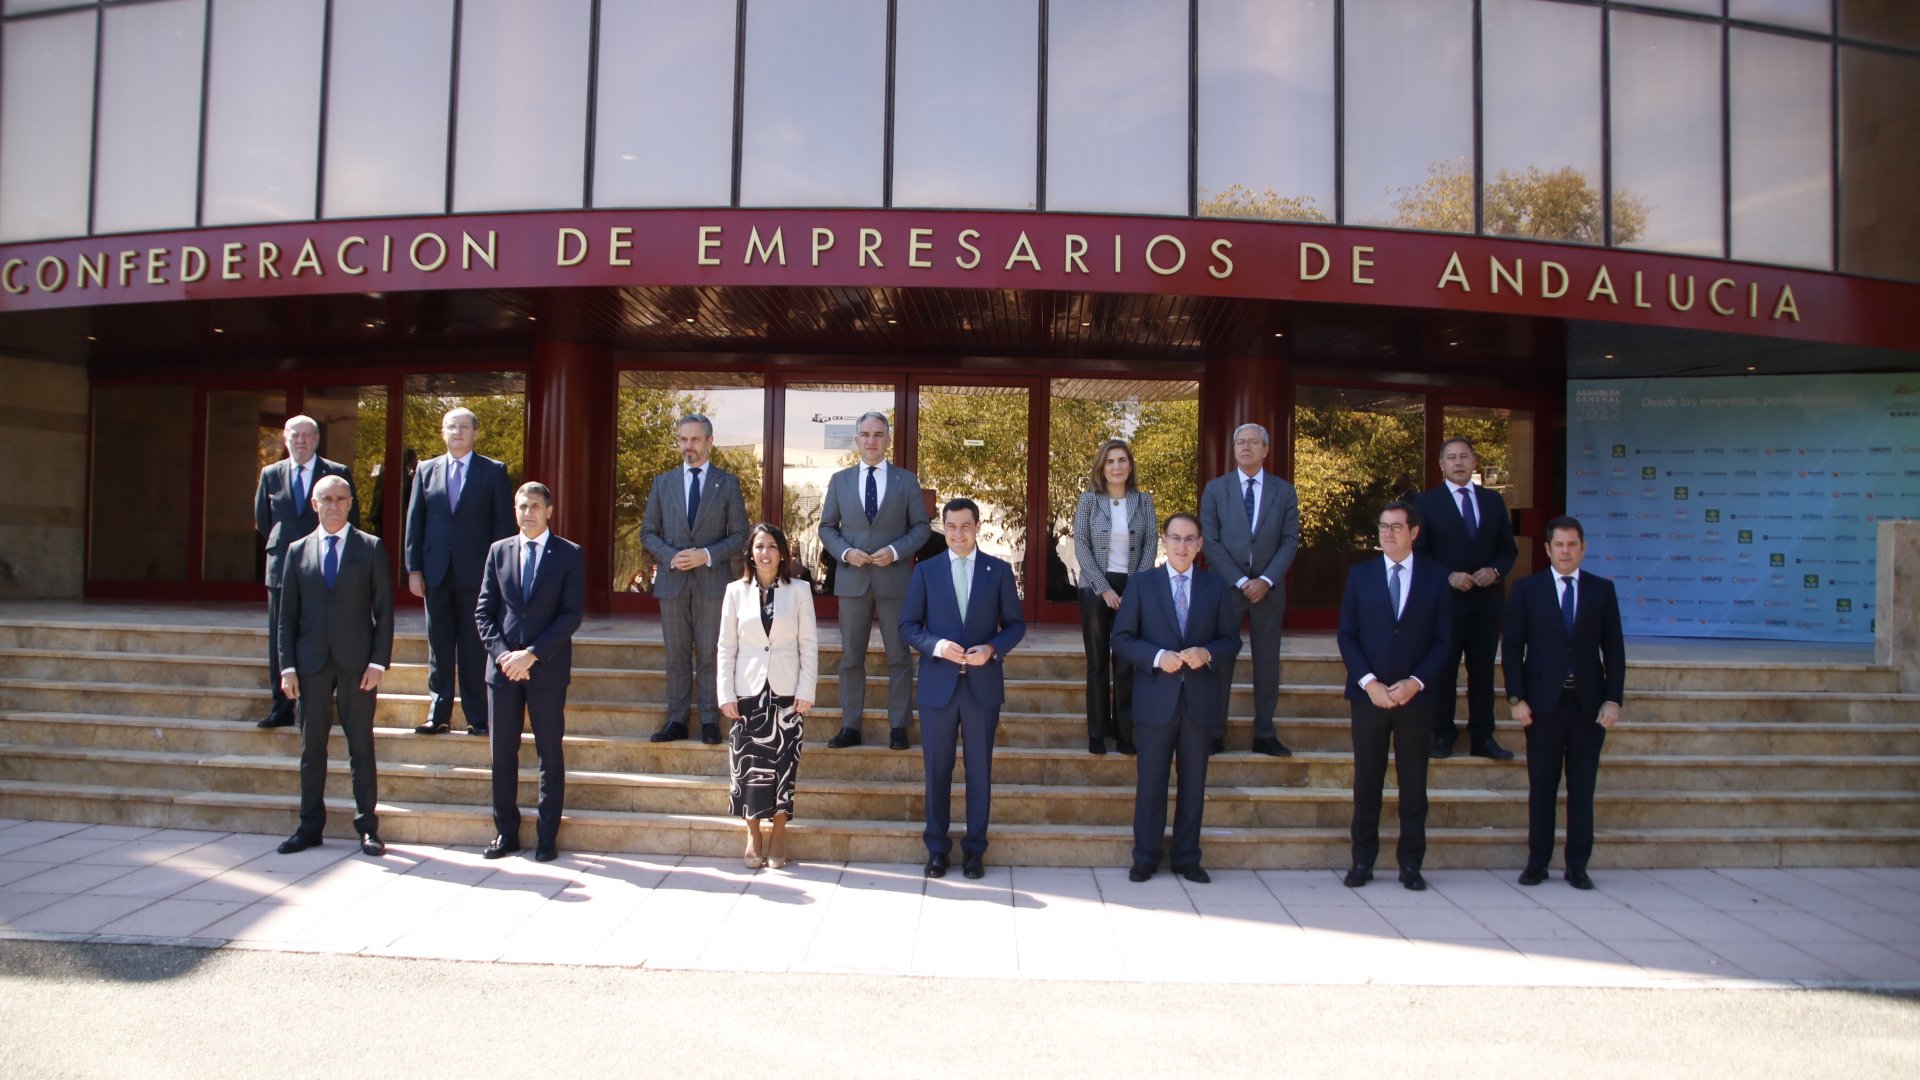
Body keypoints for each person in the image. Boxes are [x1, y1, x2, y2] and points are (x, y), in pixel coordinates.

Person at [900, 497, 1025, 880]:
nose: (958, 534)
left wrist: (992, 649)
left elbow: (1016, 625)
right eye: (951, 527)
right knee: (937, 771)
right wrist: (936, 646)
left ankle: (975, 850)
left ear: (977, 526)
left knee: (978, 771)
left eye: (965, 526)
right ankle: (937, 849)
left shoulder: (998, 571)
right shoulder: (926, 571)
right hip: (938, 685)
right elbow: (908, 626)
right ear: (944, 526)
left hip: (982, 688)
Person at [1111, 513, 1239, 884]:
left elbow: (1232, 640)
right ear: (1164, 541)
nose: (1181, 546)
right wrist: (1156, 657)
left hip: (1198, 700)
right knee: (1151, 781)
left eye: (1190, 539)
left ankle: (1186, 857)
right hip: (1155, 699)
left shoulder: (1216, 587)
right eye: (1175, 538)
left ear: (1200, 545)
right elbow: (1121, 639)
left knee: (1193, 782)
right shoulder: (1142, 585)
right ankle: (1145, 856)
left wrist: (1207, 653)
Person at [1503, 515, 1625, 891]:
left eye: (1573, 545)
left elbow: (1614, 651)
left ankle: (1577, 866)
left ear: (1583, 548)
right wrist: (1516, 698)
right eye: (1559, 545)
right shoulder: (1526, 590)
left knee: (1582, 788)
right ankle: (1537, 863)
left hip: (1588, 706)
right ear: (1548, 549)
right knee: (1542, 787)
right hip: (1542, 706)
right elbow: (1512, 649)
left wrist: (1613, 700)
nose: (1566, 551)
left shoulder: (1601, 591)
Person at [1336, 500, 1451, 892]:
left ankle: (1411, 865)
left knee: (1413, 784)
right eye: (1383, 526)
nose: (1388, 533)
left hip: (1415, 699)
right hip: (1369, 697)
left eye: (1396, 527)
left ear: (1414, 532)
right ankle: (1362, 861)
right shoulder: (1360, 575)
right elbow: (1347, 635)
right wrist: (1369, 682)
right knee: (1367, 782)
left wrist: (1416, 681)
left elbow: (1444, 641)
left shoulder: (1436, 578)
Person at [274, 476, 393, 857]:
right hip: (310, 664)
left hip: (357, 663)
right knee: (312, 748)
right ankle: (309, 827)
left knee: (361, 746)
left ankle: (367, 828)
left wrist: (378, 663)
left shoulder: (370, 548)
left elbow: (384, 612)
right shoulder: (296, 551)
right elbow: (285, 616)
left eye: (341, 499)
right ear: (314, 504)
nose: (334, 505)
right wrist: (287, 667)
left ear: (350, 503)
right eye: (326, 499)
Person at [474, 482, 584, 864]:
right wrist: (506, 656)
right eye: (522, 506)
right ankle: (505, 832)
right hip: (502, 671)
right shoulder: (498, 551)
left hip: (546, 670)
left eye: (535, 506)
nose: (527, 513)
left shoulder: (569, 554)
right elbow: (484, 613)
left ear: (549, 511)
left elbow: (571, 614)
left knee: (548, 754)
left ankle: (545, 837)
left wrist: (532, 655)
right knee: (501, 754)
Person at [816, 411, 930, 751]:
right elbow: (826, 528)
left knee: (899, 656)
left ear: (887, 439)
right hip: (852, 580)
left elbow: (921, 528)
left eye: (878, 434)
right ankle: (850, 724)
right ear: (856, 440)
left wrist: (896, 551)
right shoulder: (840, 480)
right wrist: (845, 553)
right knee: (852, 657)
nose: (871, 440)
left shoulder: (906, 481)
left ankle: (899, 726)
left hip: (894, 580)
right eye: (865, 434)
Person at [405, 406, 515, 737]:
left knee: (472, 645)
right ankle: (437, 713)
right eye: (451, 427)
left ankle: (477, 717)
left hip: (477, 573)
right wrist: (414, 569)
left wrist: (500, 575)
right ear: (443, 433)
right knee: (438, 645)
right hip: (436, 572)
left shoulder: (493, 471)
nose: (457, 432)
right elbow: (415, 522)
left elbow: (503, 527)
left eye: (464, 427)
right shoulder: (426, 470)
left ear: (475, 433)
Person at [641, 413, 749, 745]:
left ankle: (708, 720)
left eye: (695, 439)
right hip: (672, 582)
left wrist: (706, 555)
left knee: (709, 654)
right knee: (675, 655)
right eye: (683, 440)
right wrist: (670, 555)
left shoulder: (727, 483)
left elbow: (740, 535)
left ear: (709, 441)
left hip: (713, 582)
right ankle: (675, 720)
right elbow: (648, 532)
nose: (689, 446)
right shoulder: (663, 482)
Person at [716, 523, 819, 870]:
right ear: (750, 553)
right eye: (759, 546)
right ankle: (752, 833)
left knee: (783, 766)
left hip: (787, 692)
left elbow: (809, 645)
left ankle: (778, 832)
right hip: (748, 691)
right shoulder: (734, 591)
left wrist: (806, 690)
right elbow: (726, 646)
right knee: (747, 769)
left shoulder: (800, 591)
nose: (765, 553)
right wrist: (725, 692)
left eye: (772, 546)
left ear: (783, 553)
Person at [1414, 436, 1519, 761]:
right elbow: (1418, 552)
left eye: (1464, 457)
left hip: (1485, 603)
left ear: (1474, 462)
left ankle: (1483, 737)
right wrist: (1448, 576)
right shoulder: (1426, 502)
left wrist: (1496, 571)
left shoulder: (1492, 501)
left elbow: (1507, 548)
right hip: (1445, 602)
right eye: (1452, 458)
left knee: (1483, 672)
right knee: (1443, 670)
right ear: (1441, 465)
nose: (1458, 462)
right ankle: (1442, 735)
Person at [1198, 422, 1300, 757]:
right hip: (1228, 590)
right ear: (1234, 448)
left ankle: (1265, 733)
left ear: (1265, 449)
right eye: (1240, 442)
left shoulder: (1283, 491)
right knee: (1221, 662)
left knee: (1267, 664)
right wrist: (1241, 581)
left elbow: (1289, 541)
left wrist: (1265, 580)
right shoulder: (1216, 489)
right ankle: (1215, 732)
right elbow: (1209, 542)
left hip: (1269, 591)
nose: (1246, 447)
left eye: (1253, 442)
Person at [252, 414, 354, 729]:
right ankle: (281, 707)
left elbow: (351, 522)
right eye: (295, 435)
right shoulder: (270, 474)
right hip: (281, 566)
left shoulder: (336, 473)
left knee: (322, 633)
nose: (301, 440)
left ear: (317, 439)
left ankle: (318, 704)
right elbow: (263, 520)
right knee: (280, 638)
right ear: (285, 438)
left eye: (308, 435)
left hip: (323, 567)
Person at [1072, 438, 1158, 756]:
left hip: (1133, 584)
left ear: (1130, 465)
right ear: (1101, 467)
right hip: (1095, 586)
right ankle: (1097, 732)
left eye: (1122, 460)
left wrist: (1134, 589)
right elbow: (1081, 545)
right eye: (1110, 461)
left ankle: (1124, 734)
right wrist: (1103, 588)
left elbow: (1151, 544)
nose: (1117, 466)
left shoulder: (1144, 501)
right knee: (1097, 663)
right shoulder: (1089, 501)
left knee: (1125, 663)